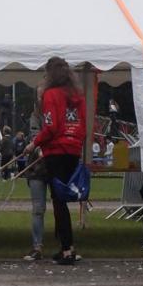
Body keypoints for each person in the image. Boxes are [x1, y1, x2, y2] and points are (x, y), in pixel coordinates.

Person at [22, 57, 86, 265]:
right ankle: (67, 246)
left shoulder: (51, 95)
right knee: (62, 200)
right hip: (73, 149)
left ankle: (67, 249)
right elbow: (84, 125)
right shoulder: (77, 96)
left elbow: (51, 127)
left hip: (56, 150)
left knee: (58, 201)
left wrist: (34, 144)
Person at [22, 146, 47, 261]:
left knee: (60, 208)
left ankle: (66, 248)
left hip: (53, 170)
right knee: (38, 210)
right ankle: (37, 247)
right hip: (36, 173)